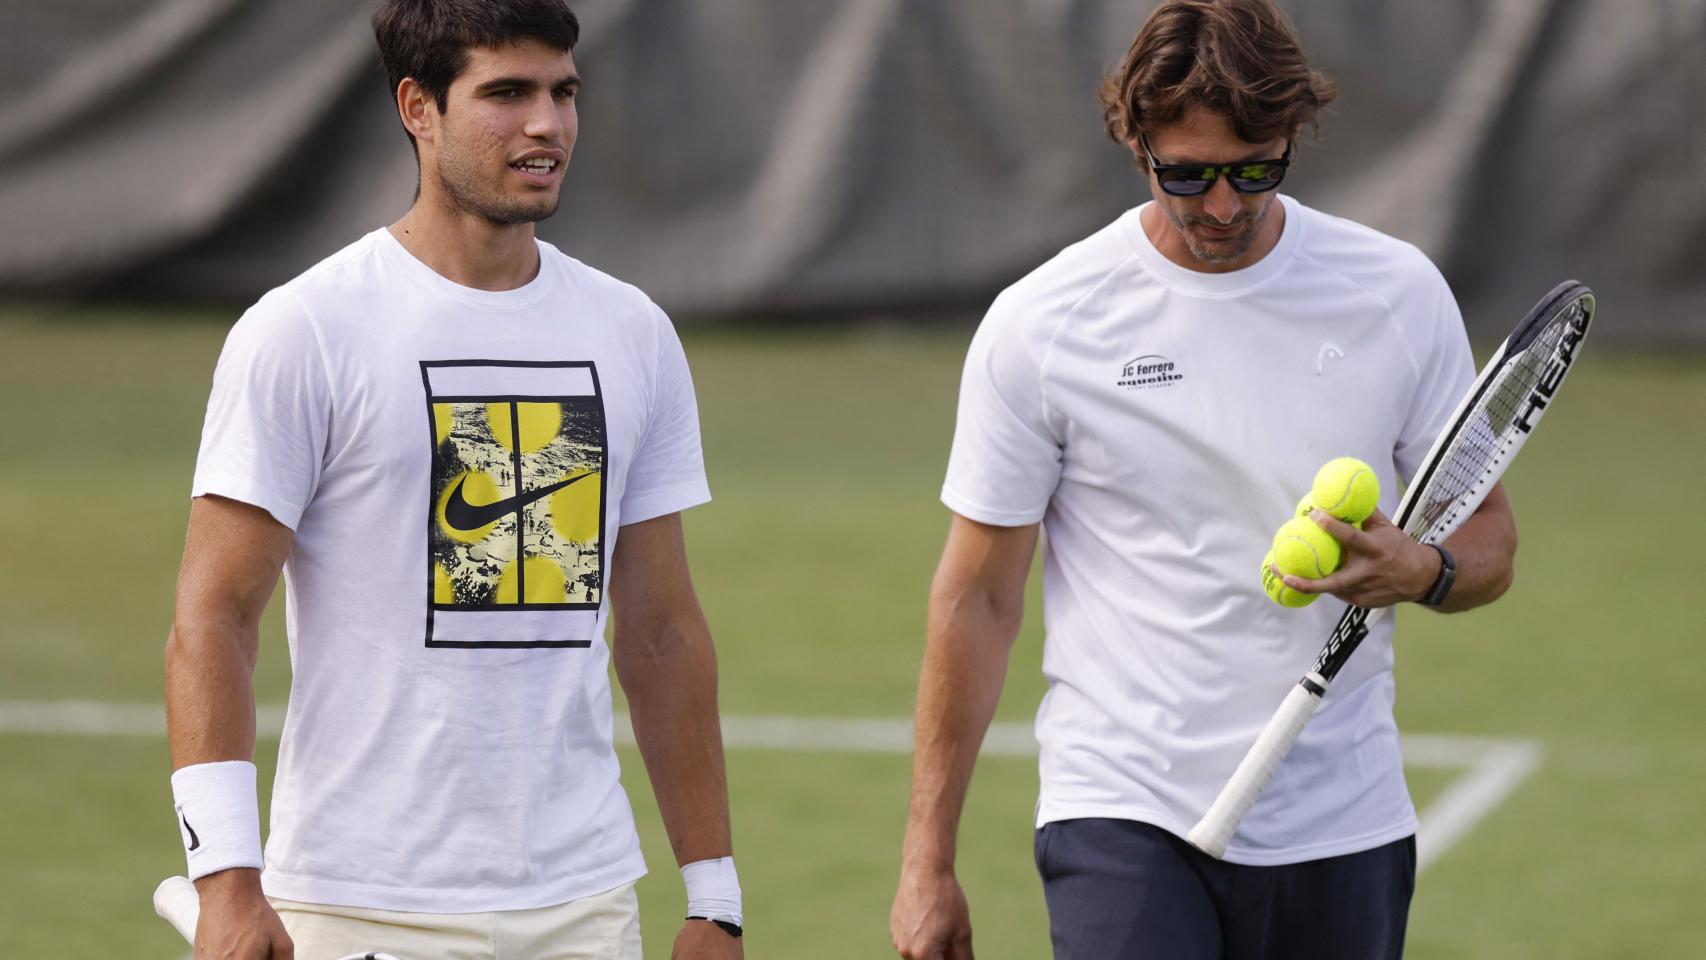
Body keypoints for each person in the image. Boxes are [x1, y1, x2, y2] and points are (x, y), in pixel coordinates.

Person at [889, 1, 1518, 957]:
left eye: (1256, 169)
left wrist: (1420, 570)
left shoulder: (1396, 294)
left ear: (1294, 137)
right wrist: (925, 862)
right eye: (1187, 174)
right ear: (1135, 144)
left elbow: (1491, 543)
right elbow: (976, 599)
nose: (1223, 204)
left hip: (1341, 821)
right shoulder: (1043, 325)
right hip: (1121, 810)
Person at [164, 2, 742, 957]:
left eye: (563, 92)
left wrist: (713, 898)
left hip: (586, 904)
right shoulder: (303, 330)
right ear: (417, 108)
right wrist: (226, 880)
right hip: (361, 905)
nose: (547, 125)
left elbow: (663, 630)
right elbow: (213, 617)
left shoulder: (632, 331)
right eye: (506, 94)